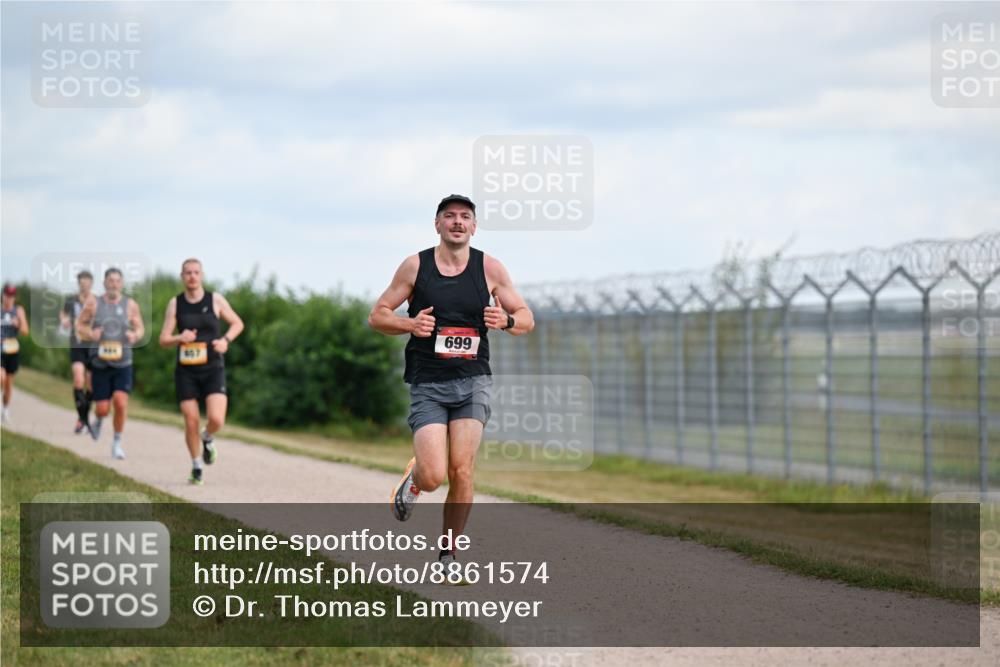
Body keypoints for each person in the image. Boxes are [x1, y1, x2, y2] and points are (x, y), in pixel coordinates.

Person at [368, 194, 534, 568]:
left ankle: (448, 551)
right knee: (434, 476)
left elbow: (526, 318)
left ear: (474, 227)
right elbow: (377, 316)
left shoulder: (490, 268)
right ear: (437, 224)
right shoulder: (415, 266)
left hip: (472, 380)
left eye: (465, 217)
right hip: (428, 382)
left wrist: (505, 321)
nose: (457, 222)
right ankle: (415, 479)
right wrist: (411, 324)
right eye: (449, 217)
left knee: (462, 469)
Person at [158, 258, 244, 485]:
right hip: (186, 371)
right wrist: (179, 337)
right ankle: (196, 467)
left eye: (196, 272)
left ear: (202, 275)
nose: (192, 276)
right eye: (187, 273)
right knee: (191, 420)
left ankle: (207, 437)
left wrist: (225, 340)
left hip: (213, 367)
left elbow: (238, 323)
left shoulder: (215, 300)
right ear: (182, 276)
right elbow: (163, 340)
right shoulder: (175, 304)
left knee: (216, 419)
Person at [76, 268, 145, 459]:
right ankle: (98, 420)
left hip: (123, 363)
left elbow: (140, 328)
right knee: (103, 409)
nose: (114, 284)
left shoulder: (130, 304)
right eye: (110, 280)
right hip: (100, 364)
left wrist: (135, 335)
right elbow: (79, 326)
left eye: (117, 281)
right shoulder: (94, 303)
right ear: (105, 283)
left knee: (121, 403)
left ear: (121, 284)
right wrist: (90, 334)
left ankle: (116, 443)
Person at [59, 270, 96, 434]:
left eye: (87, 282)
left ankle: (85, 417)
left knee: (91, 384)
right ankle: (82, 419)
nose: (84, 285)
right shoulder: (71, 300)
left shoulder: (96, 301)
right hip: (77, 344)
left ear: (91, 283)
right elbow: (63, 313)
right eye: (81, 283)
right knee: (78, 379)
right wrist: (64, 320)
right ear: (78, 284)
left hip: (93, 346)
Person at [1, 283, 29, 424]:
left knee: (8, 383)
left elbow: (25, 331)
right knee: (1, 377)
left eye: (12, 296)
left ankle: (5, 408)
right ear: (3, 295)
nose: (9, 298)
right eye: (7, 295)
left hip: (12, 349)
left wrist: (17, 324)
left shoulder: (18, 310)